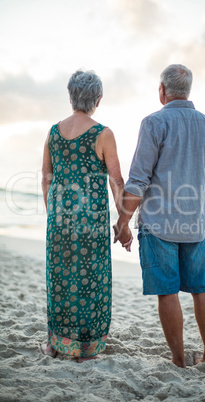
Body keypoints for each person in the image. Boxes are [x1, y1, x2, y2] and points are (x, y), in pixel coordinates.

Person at [114, 64, 205, 368]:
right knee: (202, 289)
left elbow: (138, 181)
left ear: (162, 91)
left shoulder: (153, 123)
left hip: (159, 226)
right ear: (188, 91)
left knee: (168, 292)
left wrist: (122, 222)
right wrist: (201, 218)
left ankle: (177, 359)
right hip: (195, 227)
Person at [41, 69, 125, 362]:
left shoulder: (53, 132)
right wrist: (123, 221)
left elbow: (47, 178)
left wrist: (53, 214)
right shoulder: (103, 134)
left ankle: (56, 344)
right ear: (98, 99)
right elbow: (117, 181)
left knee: (60, 279)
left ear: (70, 96)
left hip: (59, 220)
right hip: (91, 224)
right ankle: (85, 350)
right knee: (92, 280)